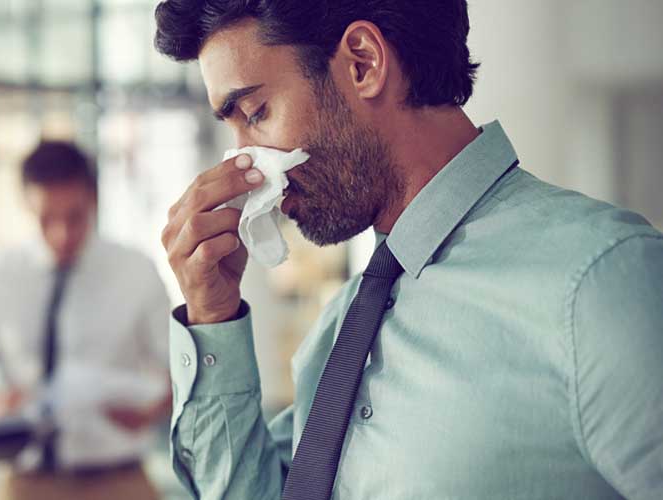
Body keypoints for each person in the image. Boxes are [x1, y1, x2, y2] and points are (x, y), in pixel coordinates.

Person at [153, 1, 663, 499]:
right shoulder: (342, 331)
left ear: (363, 63)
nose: (245, 166)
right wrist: (212, 317)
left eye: (255, 112)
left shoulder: (600, 281)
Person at [0, 141, 172, 500]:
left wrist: (150, 409)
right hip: (24, 481)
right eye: (47, 218)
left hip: (120, 479)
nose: (62, 234)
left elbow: (179, 374)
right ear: (26, 203)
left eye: (74, 216)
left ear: (92, 199)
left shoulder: (136, 271)